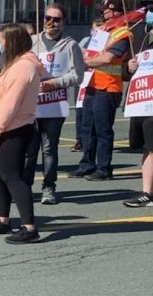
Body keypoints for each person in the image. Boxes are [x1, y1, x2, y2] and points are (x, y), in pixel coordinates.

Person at [0, 24, 45, 244]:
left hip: (13, 128)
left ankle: (29, 227)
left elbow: (10, 104)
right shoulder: (16, 63)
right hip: (4, 127)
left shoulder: (23, 67)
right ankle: (3, 219)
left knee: (13, 177)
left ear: (11, 42)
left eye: (2, 40)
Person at [22, 3, 84, 205]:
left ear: (64, 21)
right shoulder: (31, 42)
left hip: (55, 105)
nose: (51, 22)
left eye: (56, 19)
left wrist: (55, 83)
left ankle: (48, 188)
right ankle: (25, 186)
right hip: (32, 104)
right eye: (48, 18)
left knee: (49, 149)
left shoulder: (70, 45)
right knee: (29, 149)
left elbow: (77, 76)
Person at [72, 0, 132, 181]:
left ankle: (104, 168)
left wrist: (83, 62)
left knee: (103, 130)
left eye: (106, 10)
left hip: (108, 87)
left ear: (114, 12)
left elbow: (108, 58)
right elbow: (92, 52)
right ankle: (87, 164)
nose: (103, 13)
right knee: (87, 127)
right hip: (93, 84)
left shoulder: (123, 33)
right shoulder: (103, 30)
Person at [124, 3, 153, 208]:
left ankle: (147, 192)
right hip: (143, 103)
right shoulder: (141, 37)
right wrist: (129, 67)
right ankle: (147, 190)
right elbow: (127, 73)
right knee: (147, 147)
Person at [73, 19, 102, 152]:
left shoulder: (105, 42)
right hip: (84, 78)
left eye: (97, 29)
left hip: (95, 79)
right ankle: (80, 139)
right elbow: (77, 51)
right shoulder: (86, 40)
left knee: (91, 114)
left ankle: (89, 141)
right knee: (79, 112)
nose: (94, 31)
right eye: (93, 29)